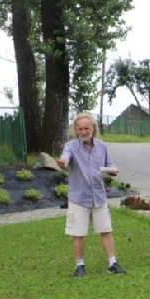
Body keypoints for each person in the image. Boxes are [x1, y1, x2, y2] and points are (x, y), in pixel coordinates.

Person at [56, 113, 126, 277]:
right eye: (79, 129)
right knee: (78, 232)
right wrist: (63, 162)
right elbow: (65, 159)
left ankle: (112, 263)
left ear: (93, 128)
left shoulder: (102, 146)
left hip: (99, 196)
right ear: (76, 130)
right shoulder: (71, 146)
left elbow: (110, 165)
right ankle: (80, 266)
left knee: (106, 230)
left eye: (86, 128)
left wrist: (113, 171)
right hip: (79, 198)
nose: (83, 131)